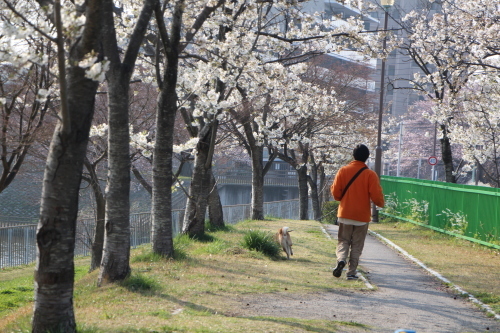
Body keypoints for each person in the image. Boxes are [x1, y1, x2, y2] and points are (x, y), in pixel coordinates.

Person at [330, 144, 385, 280]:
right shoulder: (370, 175)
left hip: (345, 213)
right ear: (366, 158)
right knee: (357, 244)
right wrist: (381, 204)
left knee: (343, 240)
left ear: (353, 156)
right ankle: (351, 272)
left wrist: (340, 199)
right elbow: (376, 195)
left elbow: (336, 192)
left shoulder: (343, 170)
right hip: (362, 216)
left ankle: (341, 260)